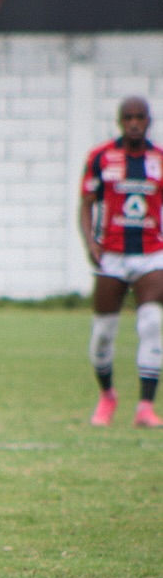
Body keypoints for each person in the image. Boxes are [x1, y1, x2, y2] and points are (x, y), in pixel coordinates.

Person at [79, 95, 163, 428]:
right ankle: (107, 396)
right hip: (111, 254)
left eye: (139, 117)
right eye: (127, 117)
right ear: (119, 121)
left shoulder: (159, 160)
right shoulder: (100, 157)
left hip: (150, 254)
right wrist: (90, 242)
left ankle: (145, 406)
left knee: (152, 324)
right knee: (102, 333)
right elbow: (85, 204)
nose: (133, 123)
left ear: (148, 121)